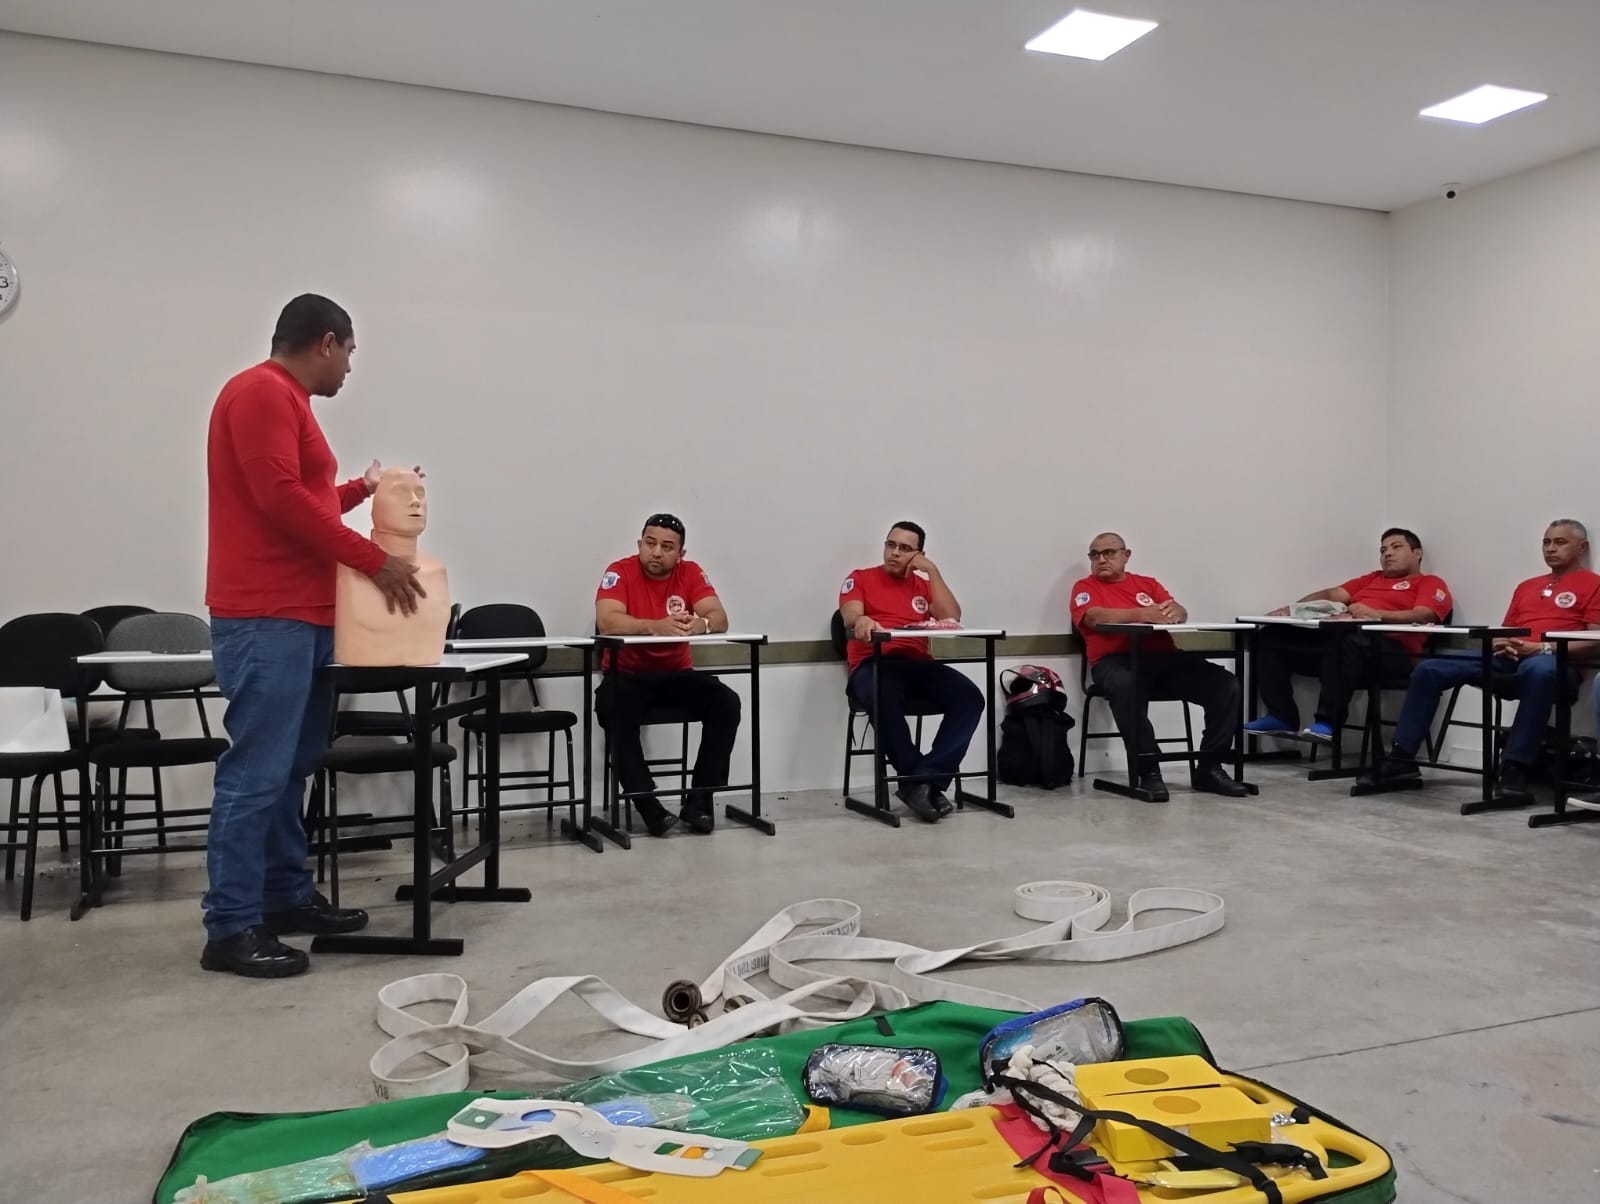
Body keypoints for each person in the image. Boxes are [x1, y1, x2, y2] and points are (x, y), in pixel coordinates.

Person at [203, 294, 425, 978]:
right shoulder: (261, 392)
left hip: (303, 614)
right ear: (326, 342)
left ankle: (283, 895)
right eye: (350, 352)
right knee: (256, 771)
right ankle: (230, 926)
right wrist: (373, 560)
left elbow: (302, 498)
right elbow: (278, 501)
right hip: (266, 614)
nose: (349, 367)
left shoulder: (287, 402)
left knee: (292, 767)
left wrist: (359, 490)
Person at [1374, 519, 1600, 798]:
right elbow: (1506, 630)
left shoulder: (1594, 585)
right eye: (1546, 542)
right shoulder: (1527, 586)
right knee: (1430, 668)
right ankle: (1402, 758)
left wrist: (1541, 648)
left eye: (1560, 542)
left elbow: (1594, 642)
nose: (1551, 548)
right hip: (1510, 659)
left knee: (1538, 671)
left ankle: (1516, 766)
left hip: (1555, 664)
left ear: (1582, 547)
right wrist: (1500, 642)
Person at [1069, 532, 1250, 801]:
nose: (1101, 560)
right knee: (1125, 685)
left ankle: (1210, 767)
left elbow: (1174, 609)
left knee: (1225, 684)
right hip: (1114, 661)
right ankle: (1148, 770)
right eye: (1095, 555)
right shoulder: (1085, 587)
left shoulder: (1147, 584)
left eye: (1109, 553)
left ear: (1126, 555)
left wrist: (1179, 612)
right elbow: (1094, 617)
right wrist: (1143, 614)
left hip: (1164, 660)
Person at [595, 513, 739, 837]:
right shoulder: (620, 571)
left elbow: (719, 616)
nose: (656, 552)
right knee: (612, 707)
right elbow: (607, 621)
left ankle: (700, 801)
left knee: (726, 703)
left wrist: (702, 624)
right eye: (650, 543)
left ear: (680, 554)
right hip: (627, 676)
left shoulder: (691, 572)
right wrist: (653, 626)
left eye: (667, 546)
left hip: (676, 675)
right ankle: (647, 805)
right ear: (639, 544)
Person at [1248, 528, 1453, 743]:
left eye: (1396, 547)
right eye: (1383, 550)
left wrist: (1377, 615)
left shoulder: (1430, 582)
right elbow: (1331, 594)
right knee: (1270, 636)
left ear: (1417, 553)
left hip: (1393, 654)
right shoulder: (1373, 579)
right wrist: (1293, 609)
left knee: (1348, 642)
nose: (1388, 553)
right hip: (1346, 651)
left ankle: (1328, 722)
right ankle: (1281, 716)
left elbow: (1423, 615)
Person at [839, 522, 984, 823]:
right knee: (883, 691)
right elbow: (851, 614)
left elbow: (951, 617)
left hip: (918, 665)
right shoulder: (860, 578)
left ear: (919, 555)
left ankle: (924, 781)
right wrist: (862, 620)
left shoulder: (923, 585)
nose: (895, 552)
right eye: (891, 545)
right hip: (873, 664)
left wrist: (932, 571)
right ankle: (919, 781)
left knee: (970, 697)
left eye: (905, 549)